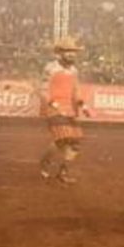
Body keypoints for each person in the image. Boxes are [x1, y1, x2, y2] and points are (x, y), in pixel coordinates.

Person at [39, 36, 91, 183]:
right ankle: (46, 162)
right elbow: (43, 89)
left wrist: (83, 105)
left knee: (75, 144)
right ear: (59, 53)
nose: (72, 54)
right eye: (68, 51)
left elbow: (76, 90)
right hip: (54, 108)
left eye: (74, 51)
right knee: (62, 138)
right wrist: (52, 103)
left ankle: (63, 172)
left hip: (70, 109)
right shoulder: (51, 68)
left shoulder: (74, 70)